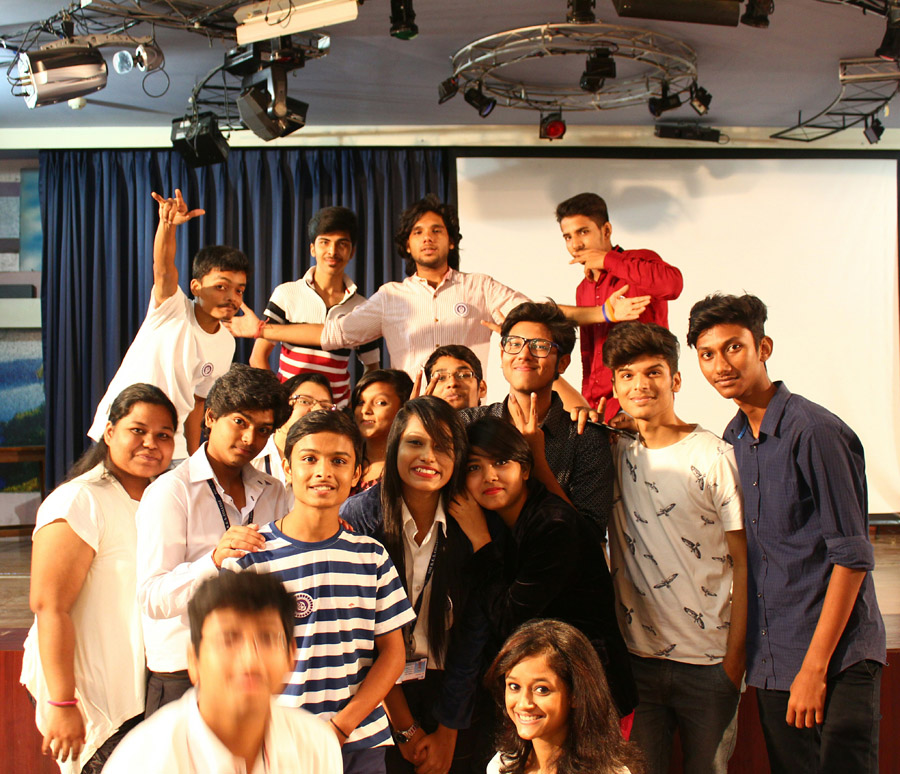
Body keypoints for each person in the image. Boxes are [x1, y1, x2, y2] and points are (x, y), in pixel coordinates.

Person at [686, 293, 886, 774]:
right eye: (707, 354)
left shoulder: (814, 431)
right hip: (775, 658)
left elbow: (852, 557)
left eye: (733, 347)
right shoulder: (733, 437)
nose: (720, 365)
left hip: (836, 660)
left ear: (764, 348)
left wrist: (814, 669)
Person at [227, 410, 414, 774]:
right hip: (276, 745)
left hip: (359, 742)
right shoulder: (250, 557)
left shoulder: (371, 556)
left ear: (356, 473)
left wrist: (341, 727)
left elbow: (393, 654)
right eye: (309, 459)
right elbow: (229, 662)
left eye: (339, 461)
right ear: (287, 468)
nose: (323, 472)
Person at [602, 322, 747, 774]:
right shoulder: (613, 451)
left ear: (676, 380)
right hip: (637, 664)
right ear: (614, 387)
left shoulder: (715, 456)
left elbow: (745, 563)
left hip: (709, 663)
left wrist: (734, 662)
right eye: (627, 375)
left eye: (653, 372)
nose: (640, 385)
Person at [21, 384, 177, 773]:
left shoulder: (161, 501)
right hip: (87, 694)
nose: (150, 443)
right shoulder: (80, 499)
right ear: (109, 432)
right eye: (138, 430)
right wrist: (62, 702)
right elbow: (49, 606)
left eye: (164, 435)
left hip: (137, 691)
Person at [449, 417, 636, 728]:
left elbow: (510, 620)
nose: (489, 476)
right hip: (545, 692)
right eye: (474, 467)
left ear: (525, 469)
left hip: (591, 698)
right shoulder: (505, 520)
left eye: (501, 462)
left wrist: (480, 540)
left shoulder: (553, 525)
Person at [228, 195, 530, 379]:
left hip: (470, 414)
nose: (427, 238)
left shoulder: (481, 288)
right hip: (413, 418)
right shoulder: (390, 297)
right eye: (418, 232)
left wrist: (519, 334)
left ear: (451, 241)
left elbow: (534, 316)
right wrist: (261, 330)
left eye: (436, 230)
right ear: (407, 245)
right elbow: (335, 333)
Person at [136, 363, 291, 715]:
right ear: (210, 417)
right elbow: (152, 598)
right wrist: (214, 562)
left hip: (252, 667)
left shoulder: (274, 491)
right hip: (184, 673)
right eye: (240, 422)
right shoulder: (171, 492)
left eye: (263, 430)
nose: (250, 439)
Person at [340, 396, 476, 774]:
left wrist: (448, 732)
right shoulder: (360, 516)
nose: (428, 456)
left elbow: (473, 635)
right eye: (415, 442)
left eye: (443, 446)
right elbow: (360, 632)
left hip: (452, 692)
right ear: (393, 446)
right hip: (374, 694)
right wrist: (406, 729)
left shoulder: (470, 520)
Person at [104, 570, 343, 774]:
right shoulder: (143, 761)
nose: (250, 660)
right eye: (228, 639)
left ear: (291, 655)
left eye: (267, 638)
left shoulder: (316, 744)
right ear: (194, 660)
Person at [88, 189, 246, 459]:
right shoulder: (173, 307)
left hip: (171, 444)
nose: (231, 296)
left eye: (239, 290)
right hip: (123, 431)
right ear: (195, 287)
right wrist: (168, 224)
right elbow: (163, 268)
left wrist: (194, 458)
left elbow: (198, 402)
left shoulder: (226, 343)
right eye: (221, 286)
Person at [461, 301, 615, 534]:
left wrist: (538, 460)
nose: (524, 355)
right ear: (502, 355)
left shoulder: (585, 438)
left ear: (562, 363)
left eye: (540, 346)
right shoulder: (468, 424)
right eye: (514, 344)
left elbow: (589, 535)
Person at [556, 192, 682, 419]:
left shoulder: (639, 261)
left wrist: (607, 260)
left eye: (583, 232)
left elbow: (673, 285)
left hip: (640, 403)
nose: (575, 244)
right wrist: (588, 402)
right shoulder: (583, 288)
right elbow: (591, 355)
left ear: (606, 230)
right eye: (567, 237)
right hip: (599, 409)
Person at [248, 205, 380, 406]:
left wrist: (355, 406)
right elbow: (258, 357)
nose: (332, 251)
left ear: (352, 251)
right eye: (324, 242)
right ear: (312, 248)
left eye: (342, 244)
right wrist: (280, 403)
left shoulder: (362, 307)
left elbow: (372, 367)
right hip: (291, 413)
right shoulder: (287, 294)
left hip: (337, 414)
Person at [485, 619, 643, 774]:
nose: (524, 703)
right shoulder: (501, 766)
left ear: (575, 695)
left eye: (542, 689)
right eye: (514, 687)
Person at [251, 372, 335, 486]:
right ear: (282, 405)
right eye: (305, 401)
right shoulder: (252, 452)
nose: (316, 410)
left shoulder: (331, 467)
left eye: (325, 406)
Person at [350, 368, 414, 493]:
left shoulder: (410, 466)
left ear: (403, 407)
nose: (365, 410)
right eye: (360, 402)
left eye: (380, 403)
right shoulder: (345, 459)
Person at [418, 344, 487, 410]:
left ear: (481, 388)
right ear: (428, 392)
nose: (452, 383)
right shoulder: (416, 417)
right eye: (441, 378)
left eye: (463, 375)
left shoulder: (493, 414)